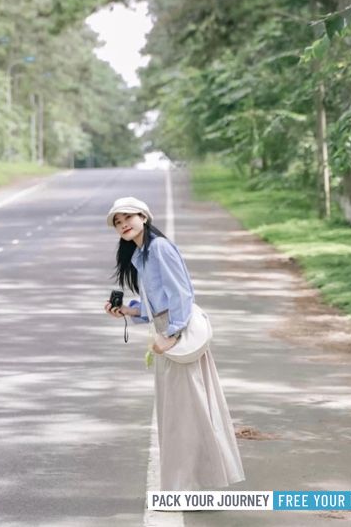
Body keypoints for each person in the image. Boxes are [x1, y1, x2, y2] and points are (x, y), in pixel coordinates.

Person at [103, 196, 245, 491]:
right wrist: (128, 310)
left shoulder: (159, 248)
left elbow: (182, 294)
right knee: (180, 413)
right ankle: (189, 483)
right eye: (118, 222)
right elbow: (157, 303)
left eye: (128, 217)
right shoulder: (141, 254)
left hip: (176, 336)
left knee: (188, 412)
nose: (123, 224)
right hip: (166, 334)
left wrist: (170, 336)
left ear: (143, 217)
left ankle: (192, 484)